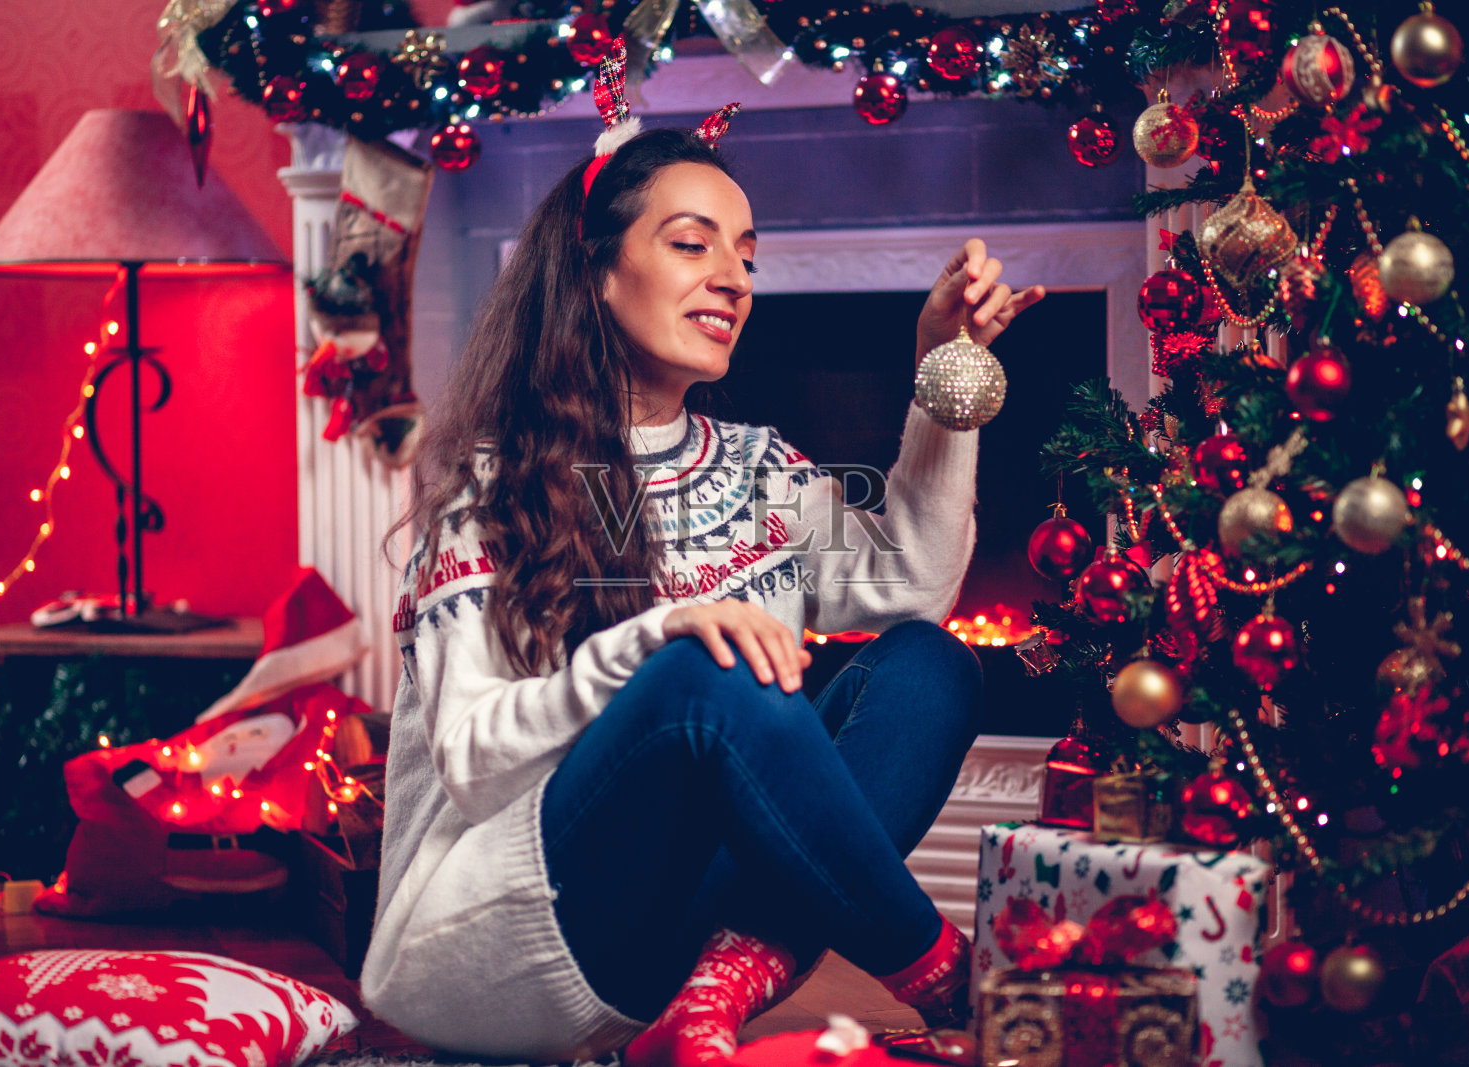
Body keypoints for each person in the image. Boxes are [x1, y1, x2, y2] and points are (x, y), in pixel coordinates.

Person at [361, 47, 1046, 1065]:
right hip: (495, 933)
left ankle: (716, 989)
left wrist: (945, 372)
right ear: (597, 271)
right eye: (692, 244)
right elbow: (466, 751)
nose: (733, 276)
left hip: (668, 941)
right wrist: (655, 640)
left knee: (928, 664)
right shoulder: (492, 489)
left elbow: (914, 583)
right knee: (701, 675)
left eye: (748, 256)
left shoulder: (753, 466)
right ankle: (940, 965)